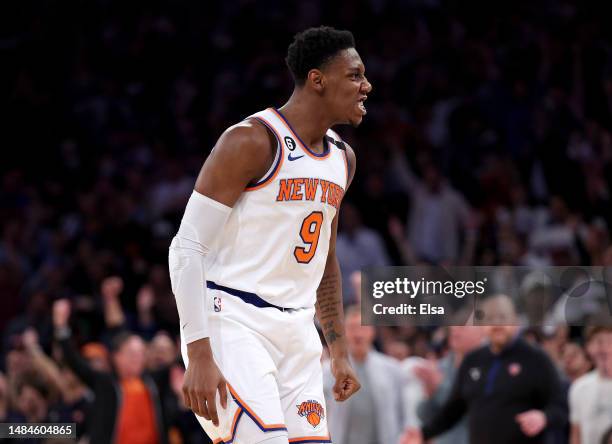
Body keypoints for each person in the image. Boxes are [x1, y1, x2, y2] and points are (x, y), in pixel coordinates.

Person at [168, 26, 371, 444]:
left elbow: (324, 261)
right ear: (317, 79)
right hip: (233, 321)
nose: (366, 86)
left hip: (297, 330)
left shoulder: (342, 159)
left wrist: (339, 352)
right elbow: (185, 247)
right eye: (354, 75)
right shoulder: (251, 141)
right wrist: (199, 352)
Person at [401, 294, 567, 444]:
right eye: (491, 318)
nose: (497, 324)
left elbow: (560, 406)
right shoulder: (473, 361)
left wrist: (544, 417)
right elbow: (453, 411)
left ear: (515, 321)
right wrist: (423, 434)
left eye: (503, 317)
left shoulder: (536, 359)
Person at [322, 305, 404, 444]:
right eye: (352, 328)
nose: (358, 335)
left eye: (363, 328)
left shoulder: (392, 370)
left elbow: (402, 414)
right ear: (343, 332)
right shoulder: (327, 371)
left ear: (372, 331)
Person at [569, 323, 612, 444]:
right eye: (599, 342)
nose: (604, 348)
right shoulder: (579, 387)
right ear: (588, 348)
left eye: (609, 341)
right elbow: (576, 436)